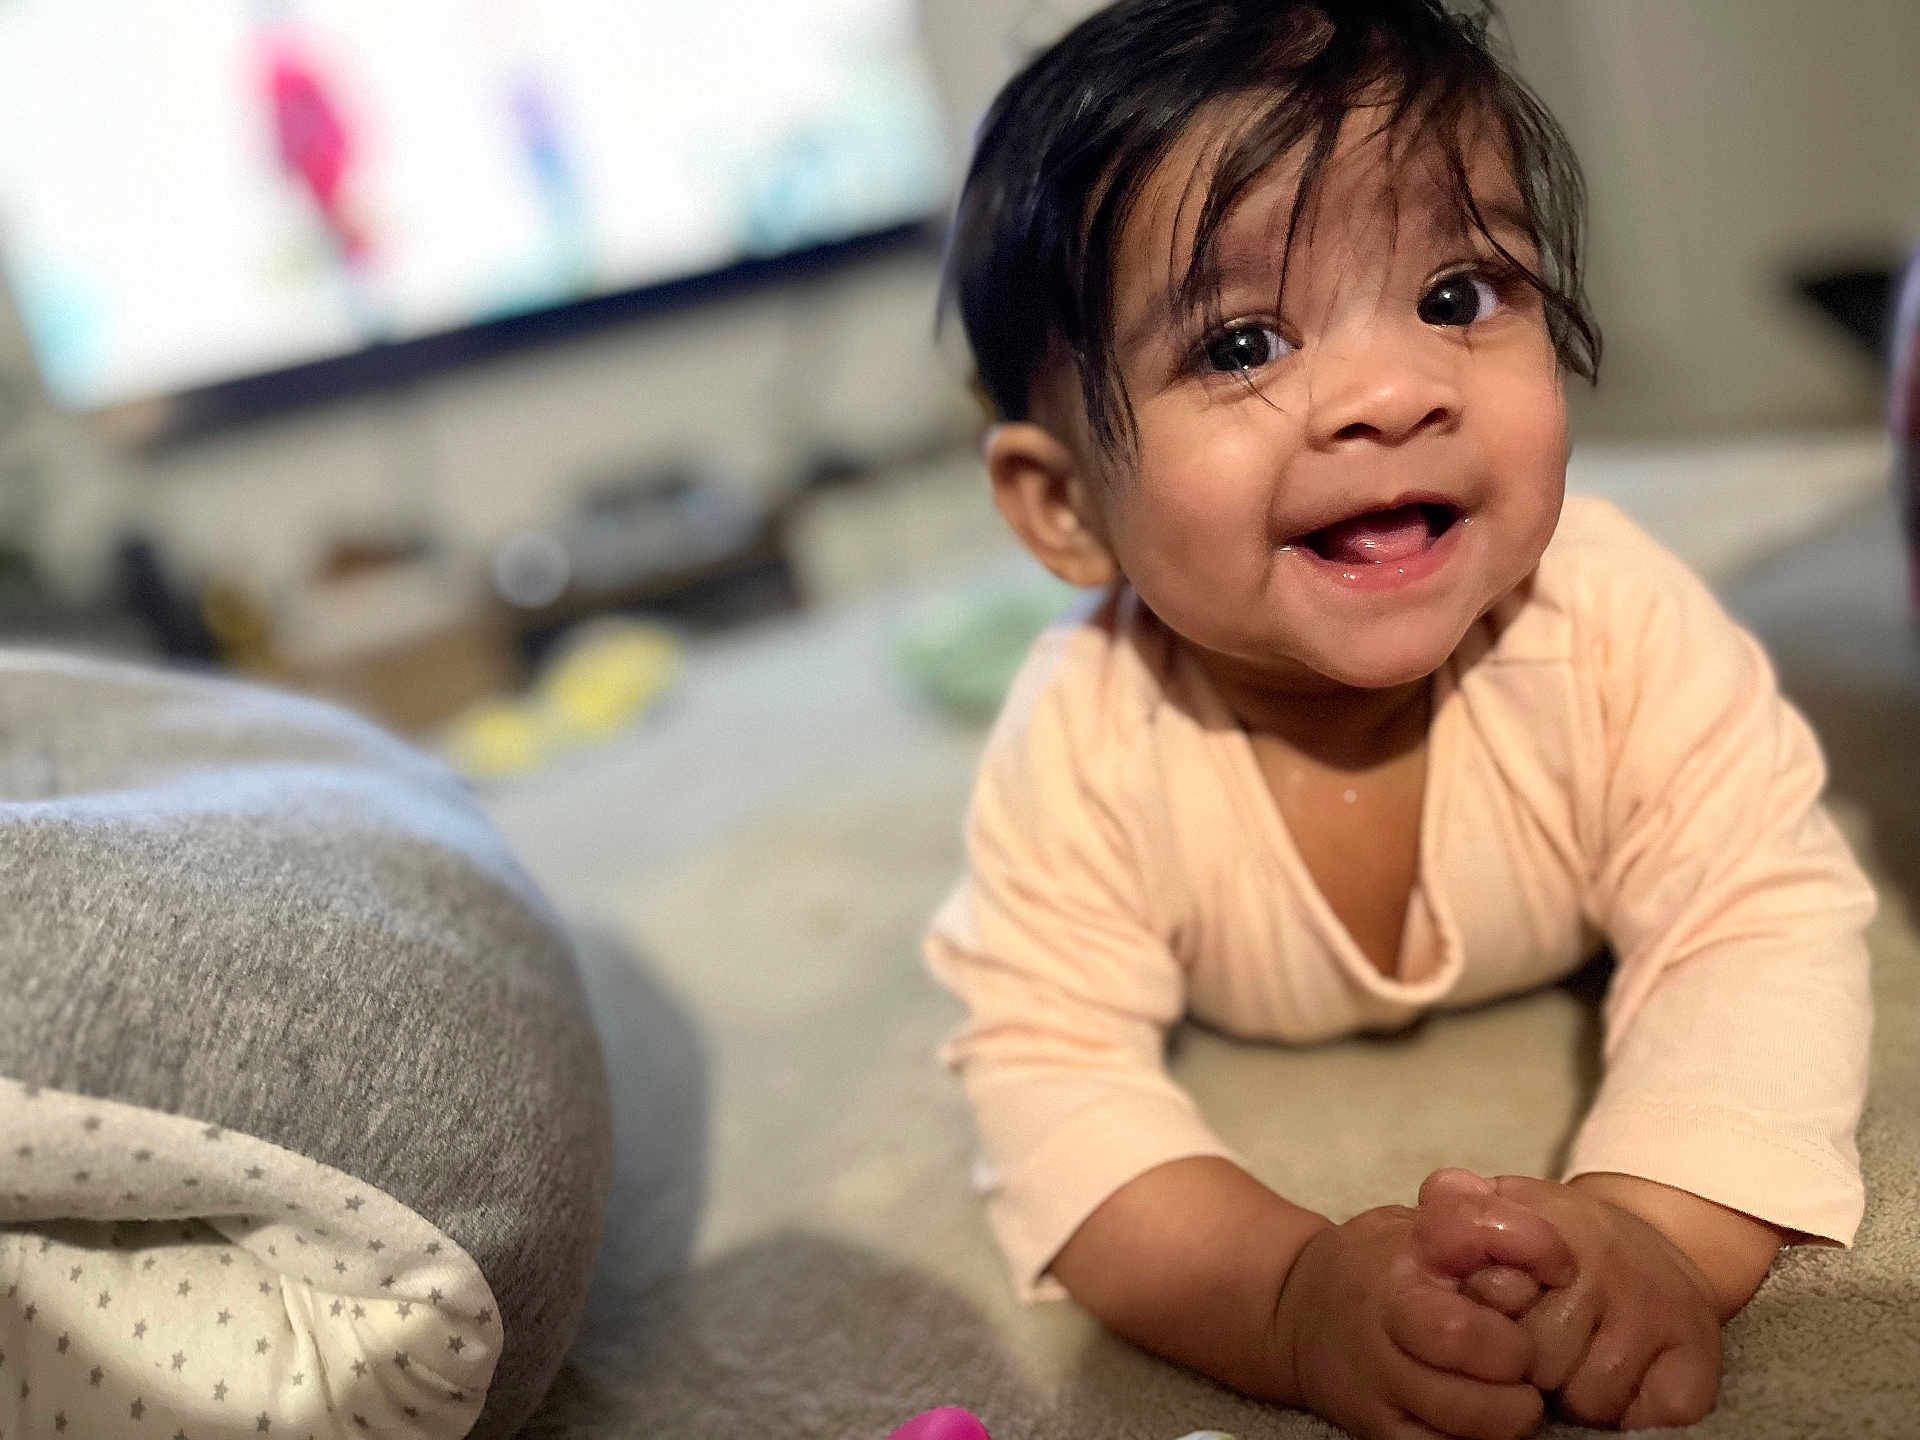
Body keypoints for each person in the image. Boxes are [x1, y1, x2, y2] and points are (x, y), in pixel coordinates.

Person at [922, 3, 1876, 1437]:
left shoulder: (1610, 624)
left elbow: (1756, 919)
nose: (1390, 394)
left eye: (1456, 297)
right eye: (1243, 340)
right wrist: (1290, 1295)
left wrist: (1663, 1231)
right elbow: (1047, 1077)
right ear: (1067, 507)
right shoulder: (1087, 743)